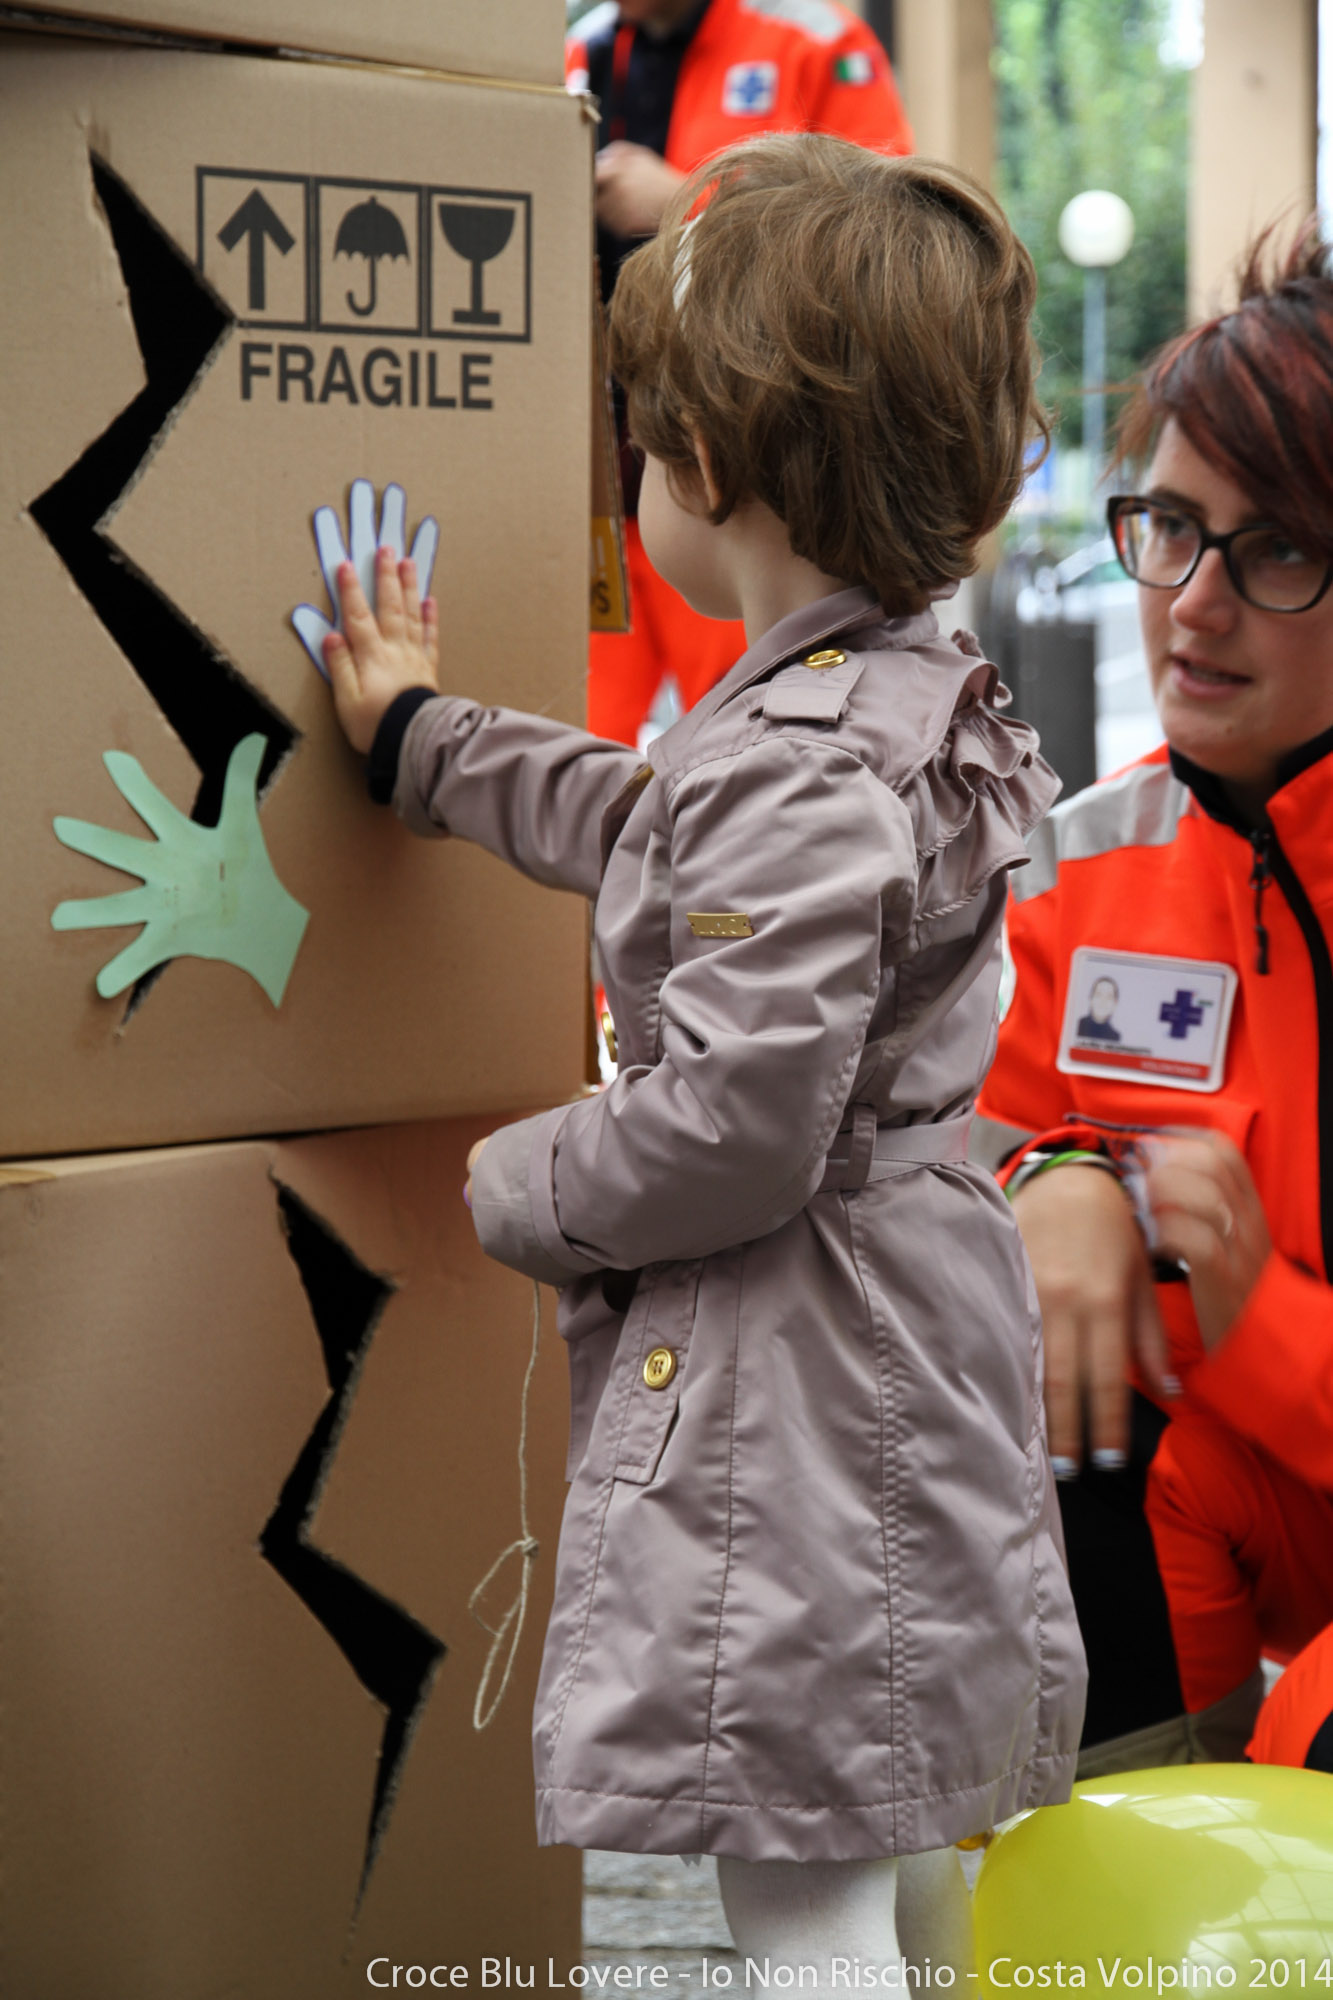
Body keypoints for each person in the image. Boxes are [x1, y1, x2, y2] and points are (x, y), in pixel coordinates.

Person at [317, 135, 1085, 1983]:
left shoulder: (794, 763)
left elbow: (737, 1124)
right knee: (888, 1811)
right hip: (902, 1326)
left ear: (709, 468)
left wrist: (521, 1179)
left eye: (642, 441)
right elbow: (663, 825)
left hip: (801, 1378)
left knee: (796, 1867)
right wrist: (427, 742)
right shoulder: (891, 688)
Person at [976, 222, 1333, 1772]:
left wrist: (1262, 1323)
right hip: (1220, 1506)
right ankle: (1119, 1856)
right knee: (1066, 1451)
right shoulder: (1077, 861)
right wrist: (1047, 1180)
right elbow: (961, 1161)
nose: (1192, 602)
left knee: (1314, 1740)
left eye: (1277, 550)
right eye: (1172, 529)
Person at [568, 0, 913, 745]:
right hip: (593, 487)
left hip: (742, 499)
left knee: (756, 738)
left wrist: (684, 203)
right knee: (576, 743)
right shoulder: (575, 53)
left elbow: (887, 249)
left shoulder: (815, 43)